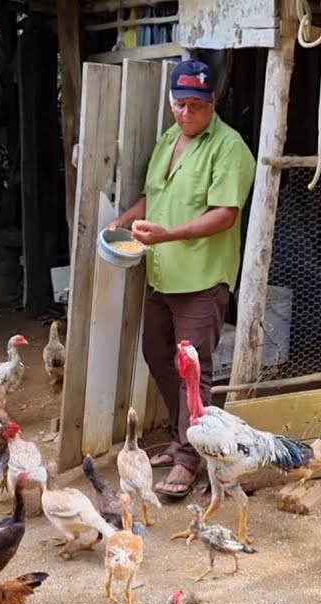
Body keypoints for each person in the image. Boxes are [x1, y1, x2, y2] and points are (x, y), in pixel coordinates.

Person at [105, 59, 256, 500]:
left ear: (213, 103)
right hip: (162, 272)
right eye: (179, 104)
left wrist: (169, 234)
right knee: (156, 353)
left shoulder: (230, 148)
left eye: (195, 105)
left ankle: (193, 457)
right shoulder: (170, 138)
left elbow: (225, 215)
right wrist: (121, 221)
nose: (186, 113)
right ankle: (184, 434)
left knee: (195, 369)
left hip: (202, 277)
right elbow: (154, 196)